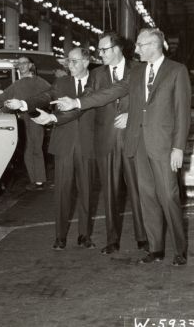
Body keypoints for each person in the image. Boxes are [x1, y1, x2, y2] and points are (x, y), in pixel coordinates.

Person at [54, 28, 191, 266]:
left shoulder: (176, 71)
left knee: (168, 196)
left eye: (139, 45)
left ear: (153, 45)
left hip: (163, 146)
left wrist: (178, 147)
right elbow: (110, 92)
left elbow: (182, 113)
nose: (135, 49)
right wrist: (77, 101)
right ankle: (156, 249)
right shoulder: (137, 72)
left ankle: (180, 249)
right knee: (147, 197)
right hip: (137, 145)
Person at [28, 47, 97, 250]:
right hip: (64, 144)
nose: (70, 65)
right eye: (68, 61)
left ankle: (84, 235)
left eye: (74, 61)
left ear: (86, 62)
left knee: (86, 193)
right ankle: (60, 236)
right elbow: (45, 96)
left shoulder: (97, 82)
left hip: (88, 144)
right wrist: (25, 103)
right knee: (62, 193)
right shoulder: (62, 82)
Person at [91, 32, 148, 255]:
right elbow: (88, 98)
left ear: (117, 49)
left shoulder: (139, 70)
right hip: (106, 142)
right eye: (99, 50)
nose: (100, 53)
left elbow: (150, 101)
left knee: (138, 191)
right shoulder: (96, 74)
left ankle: (143, 237)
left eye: (103, 49)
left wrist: (133, 116)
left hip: (133, 140)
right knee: (110, 194)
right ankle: (112, 240)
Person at [0, 56, 50, 191]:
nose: (21, 65)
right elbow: (4, 97)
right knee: (29, 149)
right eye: (19, 63)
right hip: (24, 120)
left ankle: (39, 181)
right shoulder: (17, 84)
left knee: (34, 149)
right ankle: (36, 180)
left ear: (30, 65)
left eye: (24, 63)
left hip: (36, 118)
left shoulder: (40, 82)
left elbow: (51, 95)